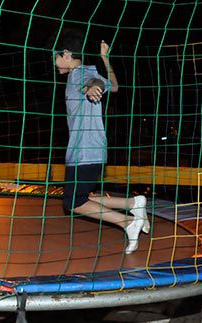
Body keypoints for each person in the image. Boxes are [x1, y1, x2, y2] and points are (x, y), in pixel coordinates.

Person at [54, 29, 149, 254]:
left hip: (84, 151)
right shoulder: (88, 70)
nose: (54, 62)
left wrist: (93, 87)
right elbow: (114, 86)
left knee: (73, 202)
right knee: (84, 197)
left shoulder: (79, 75)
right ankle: (134, 204)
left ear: (66, 54)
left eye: (55, 57)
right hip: (92, 149)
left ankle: (127, 222)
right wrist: (105, 59)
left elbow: (92, 83)